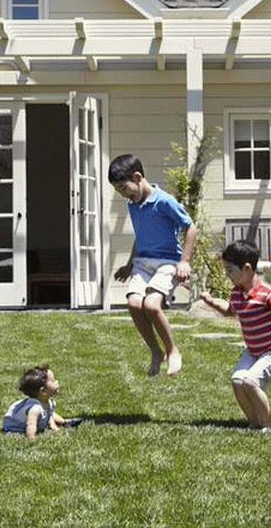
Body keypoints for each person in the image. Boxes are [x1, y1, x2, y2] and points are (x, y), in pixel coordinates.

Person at [198, 239, 271, 431]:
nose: (227, 275)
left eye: (230, 270)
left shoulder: (268, 293)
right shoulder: (237, 293)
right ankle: (254, 422)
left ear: (247, 269)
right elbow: (229, 311)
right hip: (254, 349)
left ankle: (267, 427)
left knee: (251, 381)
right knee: (237, 381)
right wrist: (211, 302)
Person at [108, 154, 197, 377]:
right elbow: (141, 236)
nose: (123, 194)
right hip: (142, 263)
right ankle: (155, 351)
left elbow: (191, 228)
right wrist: (129, 265)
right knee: (134, 304)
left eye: (123, 188)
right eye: (118, 191)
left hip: (168, 263)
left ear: (137, 177)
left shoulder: (164, 201)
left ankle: (172, 350)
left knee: (152, 305)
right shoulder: (133, 205)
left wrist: (184, 262)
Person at [2, 364, 68, 440]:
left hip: (40, 416)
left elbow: (49, 415)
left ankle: (65, 422)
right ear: (43, 391)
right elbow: (31, 425)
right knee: (40, 417)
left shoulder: (48, 402)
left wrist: (54, 428)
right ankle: (64, 422)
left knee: (51, 414)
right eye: (53, 381)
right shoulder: (35, 409)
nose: (57, 382)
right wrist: (32, 439)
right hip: (15, 428)